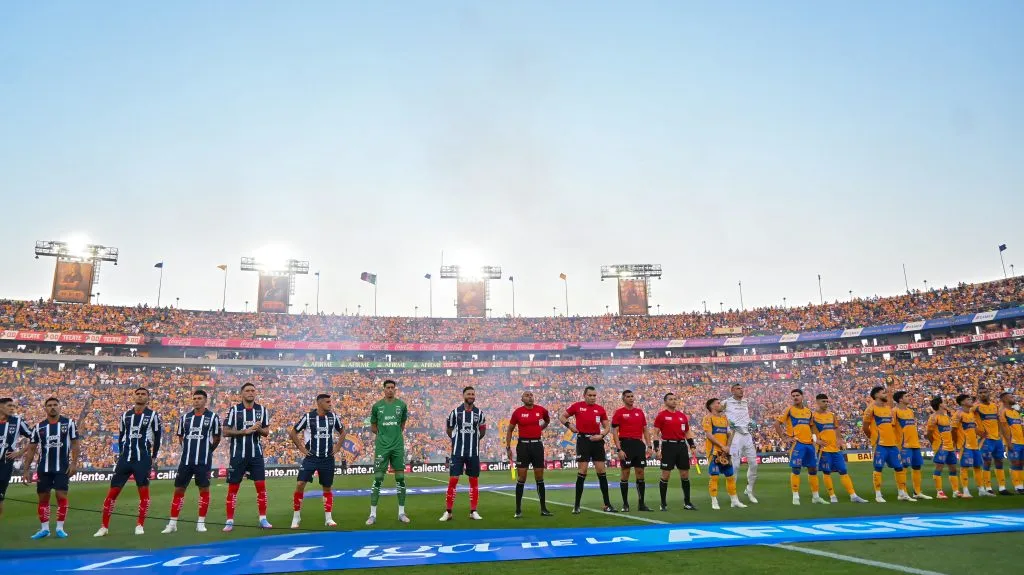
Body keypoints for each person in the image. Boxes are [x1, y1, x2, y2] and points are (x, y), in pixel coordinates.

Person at [95, 388, 162, 537]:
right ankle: (104, 527)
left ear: (148, 398)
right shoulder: (125, 415)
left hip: (142, 458)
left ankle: (140, 525)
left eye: (143, 394)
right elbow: (121, 436)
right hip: (125, 458)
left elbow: (158, 437)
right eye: (137, 394)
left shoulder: (152, 416)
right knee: (113, 492)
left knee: (143, 493)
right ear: (133, 396)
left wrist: (154, 456)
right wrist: (121, 454)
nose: (140, 396)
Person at [161, 389, 221, 534]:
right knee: (179, 489)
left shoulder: (213, 417)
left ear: (205, 400)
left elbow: (217, 437)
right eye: (194, 398)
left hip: (203, 461)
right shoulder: (185, 418)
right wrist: (188, 449)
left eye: (199, 398)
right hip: (186, 460)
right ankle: (172, 523)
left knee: (204, 490)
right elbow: (181, 437)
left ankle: (201, 522)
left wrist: (208, 450)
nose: (196, 401)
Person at [23, 397, 80, 539]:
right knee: (43, 498)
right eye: (49, 405)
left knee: (61, 495)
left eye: (55, 405)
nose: (52, 407)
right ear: (45, 408)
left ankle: (60, 528)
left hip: (62, 467)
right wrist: (26, 469)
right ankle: (45, 529)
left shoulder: (69, 424)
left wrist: (74, 463)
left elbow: (75, 444)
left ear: (60, 407)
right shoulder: (39, 427)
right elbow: (31, 449)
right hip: (44, 468)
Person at [289, 393, 346, 529]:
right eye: (327, 402)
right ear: (319, 403)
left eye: (330, 401)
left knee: (327, 487)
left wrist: (337, 446)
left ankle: (328, 518)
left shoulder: (333, 417)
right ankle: (296, 517)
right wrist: (302, 448)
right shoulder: (308, 417)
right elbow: (293, 433)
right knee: (300, 483)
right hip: (311, 458)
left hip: (327, 458)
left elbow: (343, 432)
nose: (330, 404)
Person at [222, 382, 272, 531]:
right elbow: (225, 431)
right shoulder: (234, 410)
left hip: (256, 455)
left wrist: (259, 429)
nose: (251, 393)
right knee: (233, 488)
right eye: (247, 390)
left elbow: (266, 432)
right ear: (242, 393)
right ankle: (229, 520)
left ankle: (263, 519)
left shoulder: (262, 410)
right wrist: (245, 431)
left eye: (253, 390)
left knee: (261, 488)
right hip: (238, 455)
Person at [559, 386, 615, 514]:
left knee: (601, 471)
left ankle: (607, 504)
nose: (592, 397)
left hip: (597, 441)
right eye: (590, 395)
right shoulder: (577, 406)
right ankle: (577, 505)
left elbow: (607, 427)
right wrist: (569, 425)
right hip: (583, 441)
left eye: (594, 395)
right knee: (582, 471)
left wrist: (601, 435)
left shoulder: (600, 409)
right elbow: (562, 417)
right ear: (584, 395)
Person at [366, 379, 410, 525]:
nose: (390, 389)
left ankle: (401, 513)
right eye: (388, 387)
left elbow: (402, 424)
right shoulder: (377, 406)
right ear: (384, 389)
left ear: (395, 389)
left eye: (392, 387)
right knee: (378, 478)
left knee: (400, 479)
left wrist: (394, 434)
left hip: (397, 446)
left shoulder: (402, 405)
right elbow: (373, 426)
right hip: (382, 447)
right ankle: (372, 514)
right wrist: (384, 435)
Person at [812, 393, 868, 503]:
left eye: (827, 401)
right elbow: (810, 430)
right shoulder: (813, 416)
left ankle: (853, 495)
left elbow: (836, 427)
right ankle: (832, 496)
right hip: (823, 449)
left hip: (835, 449)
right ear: (817, 402)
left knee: (843, 470)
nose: (826, 403)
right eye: (824, 401)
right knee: (826, 472)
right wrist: (816, 440)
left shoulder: (831, 415)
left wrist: (839, 438)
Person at [774, 389, 827, 506]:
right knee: (796, 469)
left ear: (802, 396)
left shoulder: (809, 412)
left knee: (813, 470)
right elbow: (777, 424)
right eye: (793, 396)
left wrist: (816, 439)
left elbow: (812, 427)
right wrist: (784, 438)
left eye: (797, 395)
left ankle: (816, 497)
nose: (795, 397)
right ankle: (795, 496)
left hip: (810, 444)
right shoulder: (789, 410)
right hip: (797, 444)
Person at [441, 386, 487, 521]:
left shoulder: (480, 413)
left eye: (473, 394)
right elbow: (449, 429)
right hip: (457, 453)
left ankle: (473, 511)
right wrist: (457, 440)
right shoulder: (455, 412)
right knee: (453, 481)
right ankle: (448, 512)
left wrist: (474, 440)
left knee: (474, 482)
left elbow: (482, 431)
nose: (471, 396)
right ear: (463, 395)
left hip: (473, 452)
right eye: (469, 394)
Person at [862, 385, 913, 503]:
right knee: (878, 468)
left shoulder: (889, 409)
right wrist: (873, 438)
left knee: (899, 468)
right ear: (876, 395)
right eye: (883, 393)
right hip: (880, 444)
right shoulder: (870, 409)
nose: (886, 394)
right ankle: (878, 495)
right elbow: (865, 427)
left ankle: (902, 493)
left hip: (892, 444)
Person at [506, 391, 553, 518]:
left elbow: (547, 421)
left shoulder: (541, 410)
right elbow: (510, 429)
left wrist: (539, 430)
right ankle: (518, 510)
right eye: (527, 395)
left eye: (531, 395)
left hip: (537, 445)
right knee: (522, 478)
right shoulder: (517, 412)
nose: (530, 397)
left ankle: (543, 509)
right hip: (523, 446)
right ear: (522, 399)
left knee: (539, 477)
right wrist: (508, 447)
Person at [652, 392, 697, 511]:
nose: (673, 401)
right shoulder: (661, 415)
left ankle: (687, 503)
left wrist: (692, 444)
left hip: (682, 446)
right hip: (668, 446)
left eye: (675, 399)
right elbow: (655, 433)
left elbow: (687, 432)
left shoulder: (682, 416)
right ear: (665, 402)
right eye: (671, 399)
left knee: (685, 475)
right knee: (665, 475)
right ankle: (663, 504)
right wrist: (657, 449)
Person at [611, 389, 653, 512]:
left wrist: (649, 446)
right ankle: (625, 504)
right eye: (628, 396)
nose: (631, 398)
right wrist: (619, 449)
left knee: (640, 473)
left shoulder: (639, 412)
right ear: (623, 399)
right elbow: (615, 432)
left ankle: (641, 504)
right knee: (625, 474)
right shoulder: (619, 413)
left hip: (638, 444)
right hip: (625, 444)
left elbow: (645, 430)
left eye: (632, 396)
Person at [702, 398, 746, 510]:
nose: (720, 404)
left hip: (725, 453)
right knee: (714, 477)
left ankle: (734, 500)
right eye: (718, 403)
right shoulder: (708, 418)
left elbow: (729, 433)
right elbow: (709, 435)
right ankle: (714, 500)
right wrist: (722, 446)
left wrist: (728, 447)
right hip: (714, 452)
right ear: (712, 406)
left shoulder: (724, 418)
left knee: (730, 476)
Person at [722, 383, 758, 503]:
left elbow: (744, 416)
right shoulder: (726, 402)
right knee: (735, 466)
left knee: (754, 464)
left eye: (742, 388)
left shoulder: (745, 402)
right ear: (732, 390)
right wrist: (726, 422)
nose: (741, 390)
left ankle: (749, 490)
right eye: (738, 389)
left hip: (747, 435)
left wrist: (751, 421)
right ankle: (733, 495)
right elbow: (715, 411)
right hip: (735, 435)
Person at [893, 391, 931, 500]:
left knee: (917, 467)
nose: (909, 398)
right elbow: (891, 427)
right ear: (900, 399)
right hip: (904, 445)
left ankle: (917, 492)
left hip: (915, 443)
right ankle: (902, 493)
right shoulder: (895, 411)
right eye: (906, 396)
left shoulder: (910, 411)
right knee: (903, 467)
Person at [972, 387, 1010, 495]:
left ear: (989, 393)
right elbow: (967, 419)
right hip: (986, 439)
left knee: (999, 461)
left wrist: (1002, 435)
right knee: (987, 461)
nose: (983, 394)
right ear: (978, 395)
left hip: (997, 439)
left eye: (985, 392)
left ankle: (1002, 488)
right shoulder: (976, 407)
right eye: (981, 393)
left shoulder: (994, 406)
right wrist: (977, 431)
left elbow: (999, 421)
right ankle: (988, 487)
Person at [0, 397, 33, 519]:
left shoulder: (17, 422)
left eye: (14, 406)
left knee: (0, 497)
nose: (12, 408)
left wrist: (20, 452)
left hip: (5, 464)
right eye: (9, 406)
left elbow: (34, 437)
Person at [926, 396, 960, 499]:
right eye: (944, 402)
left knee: (953, 468)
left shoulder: (946, 417)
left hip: (950, 447)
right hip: (941, 447)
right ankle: (939, 492)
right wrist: (935, 444)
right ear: (940, 404)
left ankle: (956, 491)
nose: (946, 403)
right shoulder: (933, 417)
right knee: (939, 468)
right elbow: (929, 434)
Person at [952, 394, 983, 498]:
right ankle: (965, 491)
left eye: (970, 399)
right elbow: (953, 430)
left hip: (975, 444)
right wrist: (956, 444)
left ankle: (981, 489)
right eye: (968, 399)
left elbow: (973, 428)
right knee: (964, 467)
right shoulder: (958, 414)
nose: (971, 400)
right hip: (964, 445)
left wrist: (981, 434)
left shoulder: (971, 413)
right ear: (962, 402)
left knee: (978, 466)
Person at [997, 391, 1024, 493]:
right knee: (1015, 462)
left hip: (1021, 441)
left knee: (1021, 463)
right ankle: (1017, 486)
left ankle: (1021, 485)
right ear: (1004, 399)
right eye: (1010, 396)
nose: (1013, 398)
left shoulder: (1016, 412)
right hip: (1013, 442)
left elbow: (1020, 427)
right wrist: (1008, 442)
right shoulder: (1002, 411)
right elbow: (1003, 428)